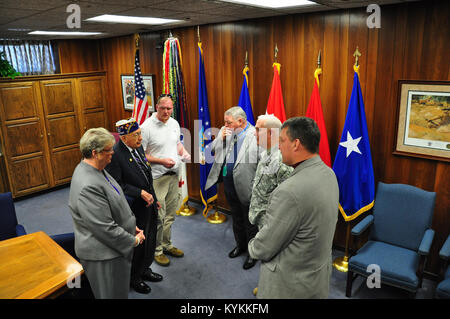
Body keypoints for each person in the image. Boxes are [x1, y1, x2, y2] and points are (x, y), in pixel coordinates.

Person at [248, 117, 339, 298]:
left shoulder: (289, 191)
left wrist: (251, 246)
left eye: (282, 140)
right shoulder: (329, 173)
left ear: (296, 144)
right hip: (315, 278)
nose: (279, 146)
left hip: (289, 286)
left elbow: (265, 247)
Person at [68, 127, 145, 299]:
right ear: (95, 153)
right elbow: (105, 228)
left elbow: (115, 200)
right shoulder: (88, 185)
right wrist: (133, 240)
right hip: (104, 256)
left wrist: (131, 226)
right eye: (109, 150)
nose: (113, 153)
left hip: (113, 248)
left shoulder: (98, 169)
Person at [105, 118, 163, 295]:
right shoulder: (115, 155)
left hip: (148, 203)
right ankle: (135, 277)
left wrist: (154, 196)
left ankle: (145, 268)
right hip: (133, 207)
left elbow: (146, 175)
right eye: (135, 135)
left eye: (140, 134)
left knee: (151, 238)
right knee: (138, 243)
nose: (140, 138)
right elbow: (117, 185)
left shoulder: (137, 148)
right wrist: (139, 193)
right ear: (123, 138)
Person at [205, 106, 259, 270]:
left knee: (250, 221)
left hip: (246, 184)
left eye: (228, 122)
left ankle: (252, 253)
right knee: (236, 217)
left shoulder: (256, 135)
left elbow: (263, 162)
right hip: (228, 182)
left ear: (240, 121)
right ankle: (240, 245)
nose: (225, 125)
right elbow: (210, 152)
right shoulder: (225, 130)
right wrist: (219, 138)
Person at [140, 95, 191, 266]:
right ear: (156, 107)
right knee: (159, 217)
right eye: (163, 108)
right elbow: (141, 156)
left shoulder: (174, 123)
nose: (167, 112)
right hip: (157, 179)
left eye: (169, 108)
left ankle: (167, 245)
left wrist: (184, 153)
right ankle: (157, 250)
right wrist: (161, 161)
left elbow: (177, 144)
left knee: (170, 215)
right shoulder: (146, 127)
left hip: (173, 176)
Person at [249, 114, 293, 230]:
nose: (254, 133)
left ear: (271, 133)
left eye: (258, 130)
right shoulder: (265, 154)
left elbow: (285, 203)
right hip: (259, 219)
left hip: (271, 226)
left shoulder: (281, 161)